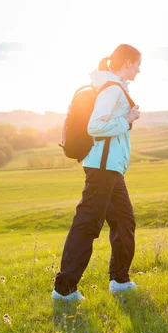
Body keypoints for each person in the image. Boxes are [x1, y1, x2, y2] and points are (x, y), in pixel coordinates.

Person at [52, 44, 142, 302]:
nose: (138, 70)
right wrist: (127, 119)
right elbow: (95, 126)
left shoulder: (114, 87)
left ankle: (120, 281)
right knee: (88, 224)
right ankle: (64, 290)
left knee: (124, 221)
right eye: (136, 64)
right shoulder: (112, 89)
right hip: (102, 168)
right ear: (126, 63)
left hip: (112, 168)